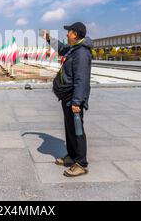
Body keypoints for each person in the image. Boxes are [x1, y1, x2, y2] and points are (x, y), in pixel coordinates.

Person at [43, 22, 93, 177]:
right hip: (67, 95)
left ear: (75, 34)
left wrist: (77, 101)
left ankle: (81, 163)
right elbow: (62, 49)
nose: (66, 34)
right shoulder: (74, 48)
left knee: (77, 130)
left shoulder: (82, 52)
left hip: (73, 97)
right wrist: (49, 39)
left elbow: (81, 79)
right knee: (69, 128)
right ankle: (71, 157)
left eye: (69, 32)